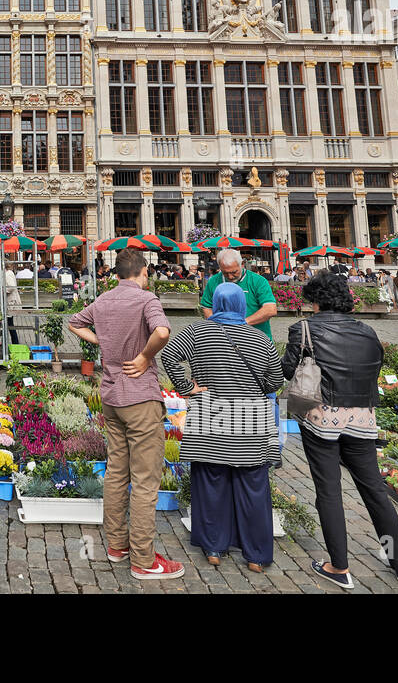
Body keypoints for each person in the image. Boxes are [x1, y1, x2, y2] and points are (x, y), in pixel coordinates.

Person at [283, 272, 398, 589]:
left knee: (329, 493)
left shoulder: (303, 329)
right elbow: (375, 367)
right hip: (363, 420)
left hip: (322, 420)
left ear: (316, 299)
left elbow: (287, 370)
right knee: (374, 492)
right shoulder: (367, 332)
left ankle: (339, 567)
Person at [67, 248, 183, 581]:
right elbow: (162, 332)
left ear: (117, 274)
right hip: (140, 396)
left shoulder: (103, 301)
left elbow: (75, 322)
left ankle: (117, 546)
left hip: (111, 396)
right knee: (146, 481)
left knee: (117, 472)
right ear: (143, 272)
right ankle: (144, 560)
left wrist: (103, 343)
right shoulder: (147, 300)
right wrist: (146, 356)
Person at [160, 283, 282, 572]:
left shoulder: (196, 331)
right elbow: (275, 380)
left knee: (211, 483)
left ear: (215, 304)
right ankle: (255, 555)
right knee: (253, 487)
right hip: (250, 420)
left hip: (210, 415)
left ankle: (214, 547)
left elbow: (168, 356)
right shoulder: (260, 339)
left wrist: (188, 387)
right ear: (242, 306)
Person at [199, 248, 278, 341]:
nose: (230, 276)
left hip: (256, 339)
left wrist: (241, 324)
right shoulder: (214, 281)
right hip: (224, 339)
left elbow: (270, 310)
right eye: (225, 273)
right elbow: (207, 307)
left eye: (234, 272)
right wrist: (217, 327)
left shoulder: (258, 281)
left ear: (242, 265)